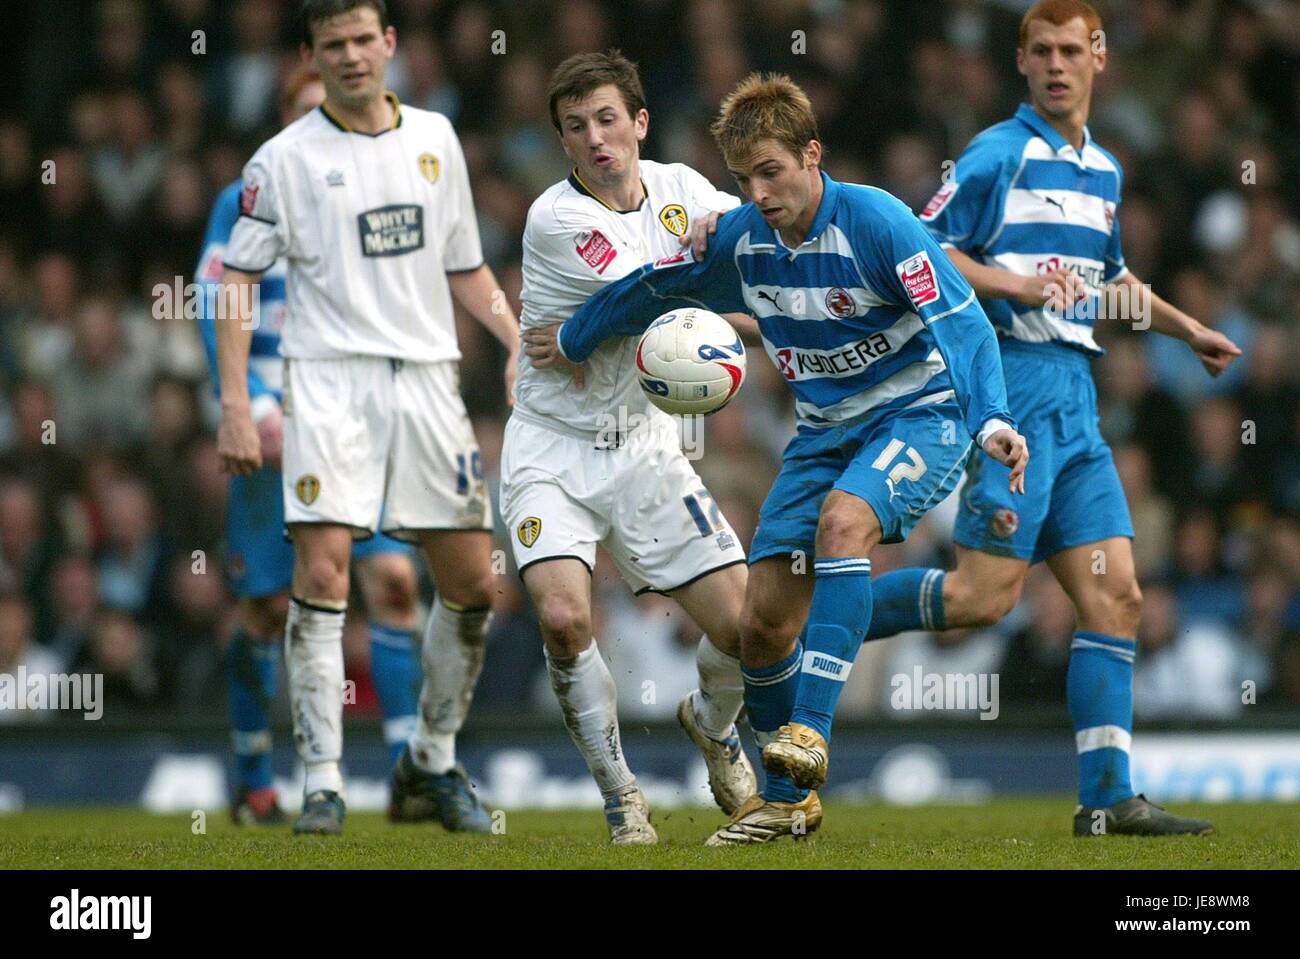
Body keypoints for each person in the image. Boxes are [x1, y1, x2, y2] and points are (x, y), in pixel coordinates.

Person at [538, 74, 1028, 845]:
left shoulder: (879, 223)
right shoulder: (743, 239)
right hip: (823, 433)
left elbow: (961, 322)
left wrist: (991, 417)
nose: (759, 192)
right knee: (760, 625)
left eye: (771, 172)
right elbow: (654, 288)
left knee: (844, 525)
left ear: (811, 154)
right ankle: (783, 804)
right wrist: (572, 336)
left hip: (918, 414)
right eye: (743, 180)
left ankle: (808, 733)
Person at [866, 0, 1238, 836]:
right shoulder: (997, 154)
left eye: (1073, 49)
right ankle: (829, 608)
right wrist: (1021, 287)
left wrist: (1188, 330)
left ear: (1100, 57)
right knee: (980, 597)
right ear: (1023, 61)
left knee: (1120, 599)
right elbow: (925, 253)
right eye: (1042, 51)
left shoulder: (1103, 167)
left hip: (1078, 400)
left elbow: (1107, 281)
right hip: (1015, 387)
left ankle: (1106, 800)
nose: (1058, 64)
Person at [214, 0, 520, 835]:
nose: (350, 57)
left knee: (471, 581)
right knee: (321, 579)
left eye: (363, 40)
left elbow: (464, 262)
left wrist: (514, 337)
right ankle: (322, 781)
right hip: (328, 383)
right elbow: (236, 279)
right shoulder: (279, 160)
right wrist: (238, 403)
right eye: (332, 44)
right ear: (312, 52)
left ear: (390, 44)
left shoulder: (435, 138)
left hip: (427, 378)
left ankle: (430, 759)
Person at [508, 51, 755, 845]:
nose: (596, 138)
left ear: (640, 123)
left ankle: (713, 727)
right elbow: (645, 292)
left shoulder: (684, 188)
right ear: (563, 141)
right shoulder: (556, 218)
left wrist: (746, 245)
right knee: (561, 615)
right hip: (552, 446)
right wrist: (722, 269)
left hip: (646, 447)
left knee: (748, 629)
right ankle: (621, 793)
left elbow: (745, 244)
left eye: (609, 119)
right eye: (576, 127)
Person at [196, 65, 424, 825]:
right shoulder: (246, 197)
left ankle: (405, 773)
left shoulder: (377, 192)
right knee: (266, 607)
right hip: (272, 427)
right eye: (305, 112)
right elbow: (215, 298)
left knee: (392, 578)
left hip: (357, 422)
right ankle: (256, 774)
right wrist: (246, 404)